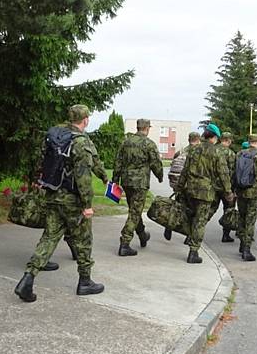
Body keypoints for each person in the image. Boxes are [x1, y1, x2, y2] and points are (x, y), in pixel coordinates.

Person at [14, 105, 104, 302]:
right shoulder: (81, 142)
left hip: (52, 195)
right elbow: (83, 177)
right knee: (84, 240)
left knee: (49, 237)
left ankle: (27, 279)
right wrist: (87, 204)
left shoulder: (55, 137)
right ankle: (85, 281)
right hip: (72, 201)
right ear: (85, 119)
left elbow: (41, 162)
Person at [174, 123, 233, 264]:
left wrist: (179, 187)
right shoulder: (217, 152)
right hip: (205, 192)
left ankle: (189, 236)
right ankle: (193, 252)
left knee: (191, 216)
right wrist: (228, 192)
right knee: (200, 221)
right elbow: (223, 174)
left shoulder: (194, 150)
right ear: (214, 137)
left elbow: (185, 171)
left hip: (191, 190)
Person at [113, 118, 164, 256]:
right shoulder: (149, 143)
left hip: (127, 181)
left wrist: (115, 179)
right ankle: (125, 242)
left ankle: (142, 234)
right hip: (140, 183)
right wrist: (160, 176)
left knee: (134, 209)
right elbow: (156, 163)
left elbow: (118, 161)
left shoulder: (126, 142)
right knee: (135, 212)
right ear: (147, 128)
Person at [233, 134, 257, 261]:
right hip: (254, 192)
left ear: (248, 142)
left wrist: (233, 190)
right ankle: (247, 250)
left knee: (242, 217)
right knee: (250, 220)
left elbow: (234, 172)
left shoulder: (239, 154)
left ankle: (242, 244)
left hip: (241, 191)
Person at [216, 132, 237, 243]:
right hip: (226, 187)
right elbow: (232, 172)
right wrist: (232, 189)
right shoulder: (231, 154)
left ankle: (192, 234)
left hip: (213, 186)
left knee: (208, 211)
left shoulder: (213, 150)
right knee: (228, 210)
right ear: (228, 140)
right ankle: (226, 235)